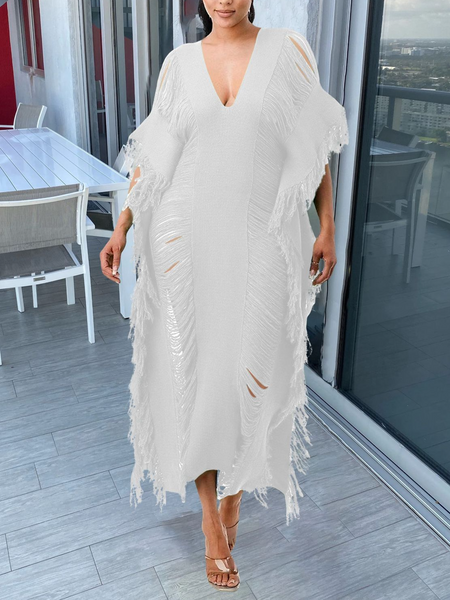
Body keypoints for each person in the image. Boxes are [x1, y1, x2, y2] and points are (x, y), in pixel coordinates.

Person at [100, 0, 348, 591]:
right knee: (196, 382)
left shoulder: (287, 53)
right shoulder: (178, 64)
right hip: (184, 241)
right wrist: (123, 224)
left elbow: (311, 148)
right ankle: (212, 519)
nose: (224, 1)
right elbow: (153, 158)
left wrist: (327, 224)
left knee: (250, 380)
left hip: (263, 241)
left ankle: (235, 489)